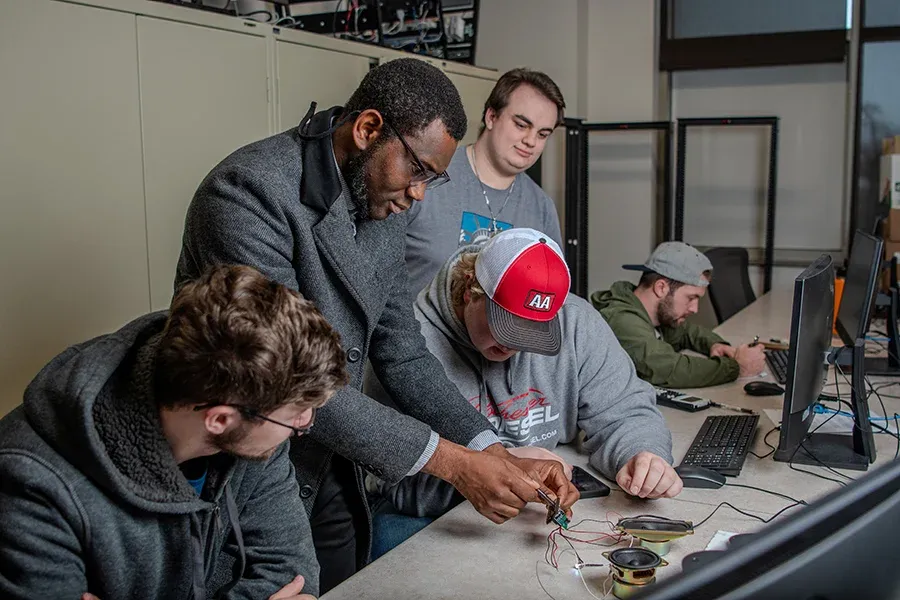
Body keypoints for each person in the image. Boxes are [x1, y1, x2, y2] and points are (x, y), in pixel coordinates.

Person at [175, 58, 577, 593]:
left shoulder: (383, 196)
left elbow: (401, 350)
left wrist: (490, 449)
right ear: (367, 129)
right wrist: (452, 463)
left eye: (433, 179)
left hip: (333, 458)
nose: (419, 195)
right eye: (418, 171)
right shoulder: (247, 195)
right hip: (250, 463)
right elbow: (285, 382)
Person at [0, 265, 348, 600]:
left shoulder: (253, 425)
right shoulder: (31, 488)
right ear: (219, 419)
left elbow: (293, 575)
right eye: (294, 417)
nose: (304, 423)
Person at [369, 228, 678, 530]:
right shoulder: (406, 344)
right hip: (436, 520)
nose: (511, 345)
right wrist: (491, 466)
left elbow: (625, 410)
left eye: (531, 333)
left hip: (532, 518)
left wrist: (641, 453)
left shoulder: (576, 322)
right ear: (470, 287)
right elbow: (386, 476)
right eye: (505, 325)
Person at [402, 68, 565, 303]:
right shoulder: (429, 175)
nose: (530, 141)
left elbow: (549, 296)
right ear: (491, 117)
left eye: (542, 134)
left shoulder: (542, 209)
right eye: (521, 125)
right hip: (413, 326)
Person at [591, 242, 767, 389]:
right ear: (661, 288)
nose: (695, 309)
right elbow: (668, 368)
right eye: (691, 298)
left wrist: (715, 344)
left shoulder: (655, 314)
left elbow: (687, 332)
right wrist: (736, 367)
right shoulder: (622, 320)